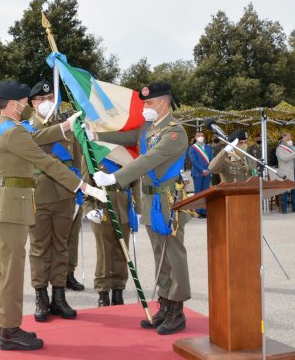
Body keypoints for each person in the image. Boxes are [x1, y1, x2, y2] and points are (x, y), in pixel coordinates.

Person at [0, 80, 106, 351]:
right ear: (15, 104)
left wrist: (64, 126)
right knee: (11, 273)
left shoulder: (1, 127)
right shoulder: (13, 132)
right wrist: (84, 187)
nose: (28, 105)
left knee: (7, 270)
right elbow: (45, 161)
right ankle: (9, 331)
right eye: (26, 102)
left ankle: (8, 325)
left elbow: (35, 139)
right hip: (10, 208)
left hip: (5, 205)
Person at [90, 82, 191, 335]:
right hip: (149, 201)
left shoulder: (175, 132)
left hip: (168, 201)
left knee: (173, 253)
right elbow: (125, 137)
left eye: (148, 103)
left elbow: (149, 159)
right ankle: (165, 305)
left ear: (164, 103)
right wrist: (95, 135)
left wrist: (115, 178)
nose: (145, 108)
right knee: (160, 253)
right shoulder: (148, 127)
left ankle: (177, 310)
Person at [26, 80, 84, 322]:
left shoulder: (69, 127)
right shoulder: (26, 128)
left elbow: (78, 159)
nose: (45, 103)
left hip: (65, 195)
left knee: (61, 245)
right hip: (38, 196)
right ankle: (41, 295)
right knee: (40, 248)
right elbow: (31, 150)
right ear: (32, 104)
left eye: (49, 99)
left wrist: (81, 188)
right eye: (40, 100)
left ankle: (59, 295)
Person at [83, 159, 134, 307]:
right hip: (102, 210)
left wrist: (137, 210)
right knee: (104, 253)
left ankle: (118, 290)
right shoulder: (91, 153)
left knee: (122, 253)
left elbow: (134, 180)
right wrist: (88, 209)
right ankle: (103, 292)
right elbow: (86, 185)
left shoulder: (122, 153)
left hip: (123, 210)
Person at [276, 133, 295, 213]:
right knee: (284, 191)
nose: (290, 140)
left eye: (290, 138)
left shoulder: (293, 147)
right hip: (286, 173)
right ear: (283, 139)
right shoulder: (279, 148)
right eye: (288, 139)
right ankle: (284, 208)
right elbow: (284, 158)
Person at [187, 130, 212, 218]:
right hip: (198, 173)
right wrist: (202, 170)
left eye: (202, 135)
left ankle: (205, 211)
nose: (201, 137)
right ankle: (198, 211)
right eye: (198, 135)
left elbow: (211, 160)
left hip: (207, 173)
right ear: (195, 137)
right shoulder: (192, 148)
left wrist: (208, 170)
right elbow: (194, 161)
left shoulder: (208, 147)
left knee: (206, 192)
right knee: (198, 193)